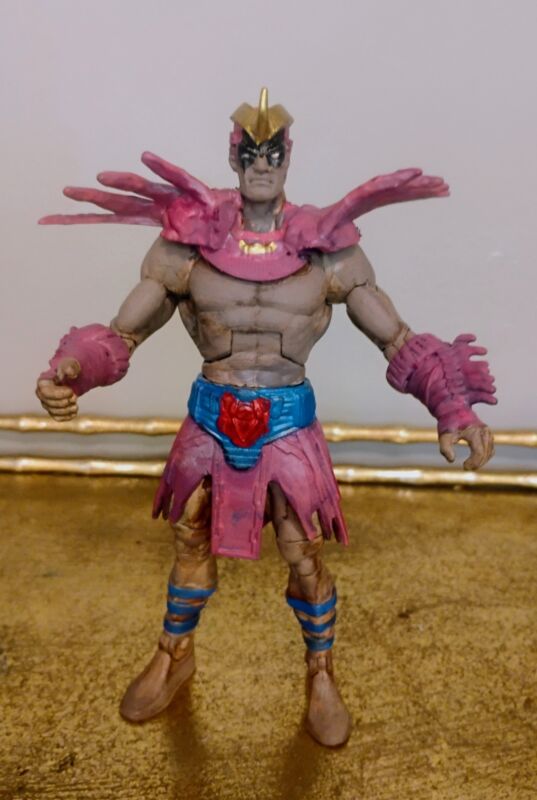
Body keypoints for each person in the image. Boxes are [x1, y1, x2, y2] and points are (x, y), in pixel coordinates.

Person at [36, 88, 496, 747]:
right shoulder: (188, 242)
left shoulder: (327, 247)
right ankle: (174, 653)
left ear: (288, 156)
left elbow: (395, 338)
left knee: (302, 551)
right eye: (249, 152)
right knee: (189, 540)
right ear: (232, 157)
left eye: (272, 153)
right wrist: (73, 370)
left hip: (287, 421)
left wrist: (451, 405)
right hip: (210, 416)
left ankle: (320, 670)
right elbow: (122, 333)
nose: (260, 164)